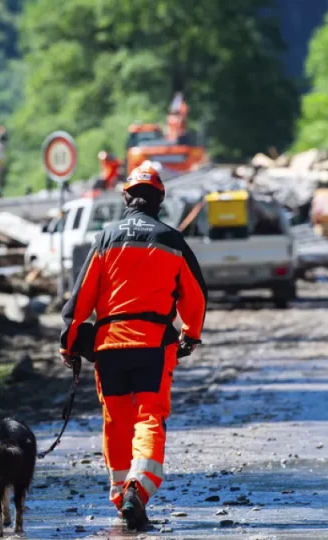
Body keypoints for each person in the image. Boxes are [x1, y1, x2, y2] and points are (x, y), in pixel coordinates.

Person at [59, 164, 208, 531]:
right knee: (148, 418)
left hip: (109, 348)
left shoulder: (104, 239)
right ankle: (137, 490)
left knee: (116, 422)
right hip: (153, 346)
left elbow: (79, 300)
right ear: (159, 200)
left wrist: (70, 342)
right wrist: (190, 333)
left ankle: (122, 494)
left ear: (125, 197)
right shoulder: (172, 240)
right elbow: (196, 296)